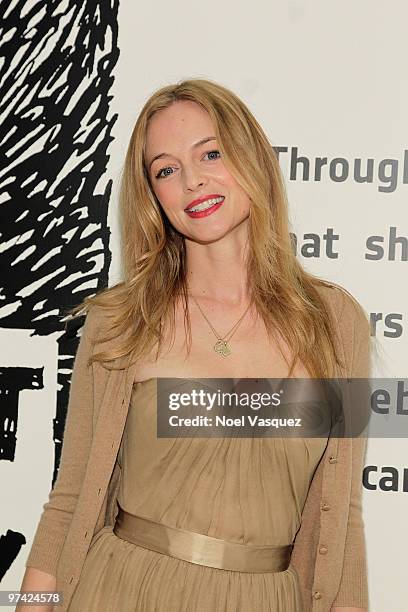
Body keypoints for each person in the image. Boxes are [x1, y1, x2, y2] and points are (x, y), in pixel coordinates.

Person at [20, 78, 371, 611]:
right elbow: (69, 500)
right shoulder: (121, 320)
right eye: (166, 169)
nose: (192, 181)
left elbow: (342, 517)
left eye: (210, 153)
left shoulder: (336, 322)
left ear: (251, 157)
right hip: (119, 591)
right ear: (153, 195)